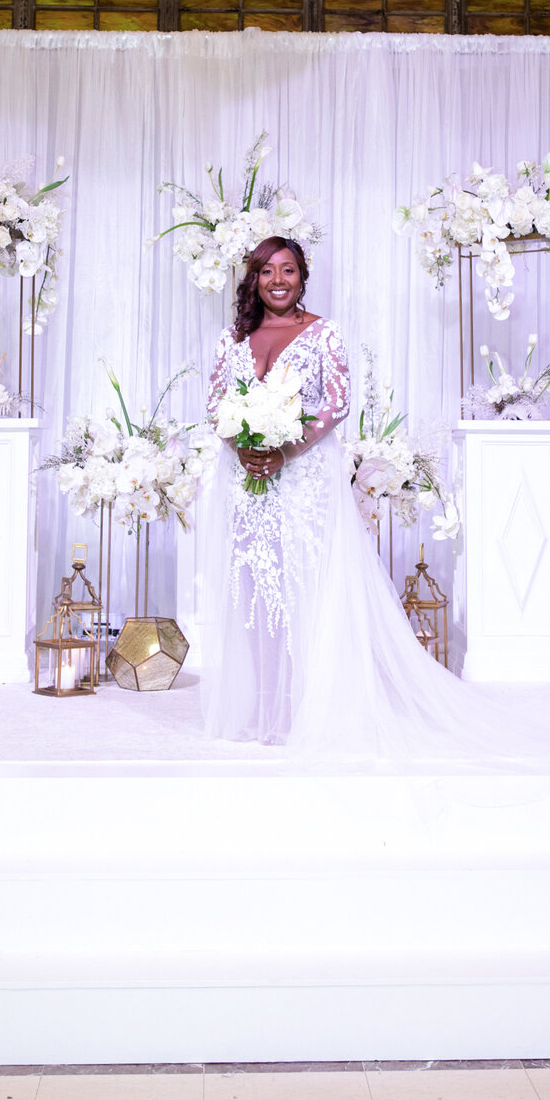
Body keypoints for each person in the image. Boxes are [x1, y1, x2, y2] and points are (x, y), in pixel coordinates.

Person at [201, 236, 510, 762]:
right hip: (245, 481)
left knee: (306, 587)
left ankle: (308, 706)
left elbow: (338, 404)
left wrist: (283, 452)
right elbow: (216, 403)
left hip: (304, 481)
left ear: (303, 277)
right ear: (252, 278)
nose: (279, 280)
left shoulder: (324, 333)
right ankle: (262, 704)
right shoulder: (231, 338)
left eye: (289, 270)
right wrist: (245, 446)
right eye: (267, 271)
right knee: (253, 589)